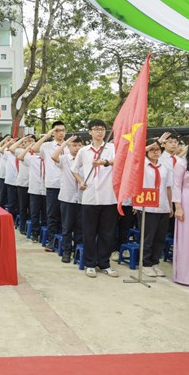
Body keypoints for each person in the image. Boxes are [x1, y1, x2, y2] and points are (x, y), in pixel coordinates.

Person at [71, 119, 118, 278]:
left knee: (107, 233)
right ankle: (90, 264)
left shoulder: (111, 148)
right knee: (89, 233)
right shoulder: (84, 151)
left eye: (102, 129)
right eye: (96, 129)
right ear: (90, 132)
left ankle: (104, 263)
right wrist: (81, 182)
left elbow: (120, 162)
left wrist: (105, 162)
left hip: (108, 197)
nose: (100, 132)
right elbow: (74, 169)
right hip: (90, 198)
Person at [136, 139, 173, 277]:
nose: (155, 152)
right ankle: (146, 264)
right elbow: (134, 156)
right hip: (146, 207)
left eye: (158, 149)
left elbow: (168, 187)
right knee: (148, 237)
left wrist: (170, 206)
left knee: (160, 237)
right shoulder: (141, 164)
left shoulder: (164, 167)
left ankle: (155, 262)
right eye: (152, 149)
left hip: (162, 206)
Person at [31, 121, 67, 251]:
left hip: (67, 185)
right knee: (52, 214)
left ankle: (63, 242)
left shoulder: (69, 146)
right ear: (53, 132)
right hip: (52, 184)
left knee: (65, 216)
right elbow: (34, 149)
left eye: (62, 130)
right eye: (57, 130)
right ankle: (52, 241)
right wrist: (46, 136)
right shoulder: (47, 146)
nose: (60, 133)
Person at [52, 135, 84, 262]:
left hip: (82, 198)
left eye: (79, 145)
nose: (77, 148)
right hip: (67, 198)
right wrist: (65, 143)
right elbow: (54, 156)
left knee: (80, 227)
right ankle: (66, 251)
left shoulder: (85, 159)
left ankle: (77, 250)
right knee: (67, 227)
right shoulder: (64, 159)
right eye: (74, 145)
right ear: (69, 147)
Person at [172, 131, 189, 286]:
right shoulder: (182, 163)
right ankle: (185, 275)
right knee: (187, 238)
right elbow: (176, 186)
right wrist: (178, 207)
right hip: (187, 201)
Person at [19, 138, 46, 243]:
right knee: (34, 213)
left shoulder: (49, 159)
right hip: (34, 189)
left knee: (45, 213)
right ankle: (35, 233)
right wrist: (29, 147)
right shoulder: (32, 158)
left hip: (46, 189)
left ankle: (44, 234)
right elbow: (20, 157)